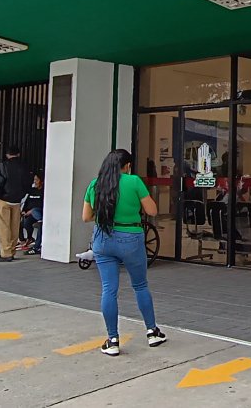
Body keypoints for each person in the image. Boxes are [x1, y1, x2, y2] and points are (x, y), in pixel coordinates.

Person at [83, 149, 167, 355]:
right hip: (130, 237)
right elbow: (152, 211)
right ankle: (152, 332)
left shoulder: (95, 184)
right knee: (140, 285)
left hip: (103, 238)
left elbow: (86, 217)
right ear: (127, 165)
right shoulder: (134, 181)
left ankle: (112, 340)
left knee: (108, 290)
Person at [0, 146, 32, 263]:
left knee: (3, 227)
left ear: (7, 155)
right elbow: (27, 183)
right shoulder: (24, 167)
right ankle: (12, 251)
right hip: (17, 201)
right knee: (14, 227)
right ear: (18, 154)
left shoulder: (3, 166)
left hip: (4, 200)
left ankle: (5, 253)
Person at [19, 172, 45, 254]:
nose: (35, 182)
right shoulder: (32, 191)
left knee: (35, 211)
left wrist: (31, 211)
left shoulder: (44, 191)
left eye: (37, 180)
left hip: (40, 212)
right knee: (26, 222)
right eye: (34, 180)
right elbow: (27, 203)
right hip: (32, 215)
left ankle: (41, 221)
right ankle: (29, 238)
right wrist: (24, 211)